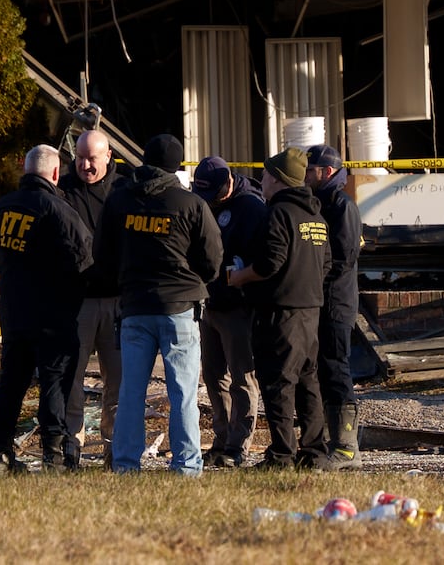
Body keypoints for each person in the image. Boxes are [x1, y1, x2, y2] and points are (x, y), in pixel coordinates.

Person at [97, 134, 223, 476]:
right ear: (177, 166)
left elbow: (102, 255)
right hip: (179, 307)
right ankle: (186, 465)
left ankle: (125, 464)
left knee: (131, 392)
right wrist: (191, 280)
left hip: (134, 307)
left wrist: (123, 281)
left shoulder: (119, 201)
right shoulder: (190, 204)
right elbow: (213, 259)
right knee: (182, 392)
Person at [0, 144, 93, 473]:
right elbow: (86, 261)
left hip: (14, 313)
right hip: (53, 315)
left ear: (26, 169)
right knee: (54, 382)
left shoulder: (3, 207)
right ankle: (53, 456)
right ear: (56, 173)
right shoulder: (58, 210)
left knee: (11, 383)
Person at [228, 147, 331, 470]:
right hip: (310, 310)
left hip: (281, 312)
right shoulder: (316, 216)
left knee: (279, 383)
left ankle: (282, 454)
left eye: (265, 175)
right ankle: (314, 452)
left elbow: (270, 262)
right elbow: (327, 263)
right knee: (308, 382)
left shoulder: (278, 213)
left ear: (277, 178)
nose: (261, 181)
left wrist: (240, 277)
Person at [192, 156, 266, 468]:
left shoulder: (251, 207)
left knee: (242, 377)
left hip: (239, 306)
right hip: (210, 301)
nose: (209, 201)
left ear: (228, 183)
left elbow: (264, 256)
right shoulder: (204, 202)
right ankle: (221, 439)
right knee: (212, 375)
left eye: (213, 194)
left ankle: (239, 444)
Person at [59, 129, 126, 469]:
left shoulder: (124, 191)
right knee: (71, 376)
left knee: (118, 380)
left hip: (117, 300)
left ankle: (115, 448)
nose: (85, 165)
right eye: (80, 158)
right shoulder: (63, 190)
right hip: (78, 301)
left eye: (92, 159)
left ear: (108, 156)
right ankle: (72, 445)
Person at [303, 145, 365, 470]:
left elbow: (343, 258)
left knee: (337, 370)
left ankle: (347, 448)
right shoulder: (318, 203)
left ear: (326, 172)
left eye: (309, 170)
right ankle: (331, 442)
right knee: (323, 371)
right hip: (319, 301)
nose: (304, 175)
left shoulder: (342, 206)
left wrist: (314, 279)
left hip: (336, 304)